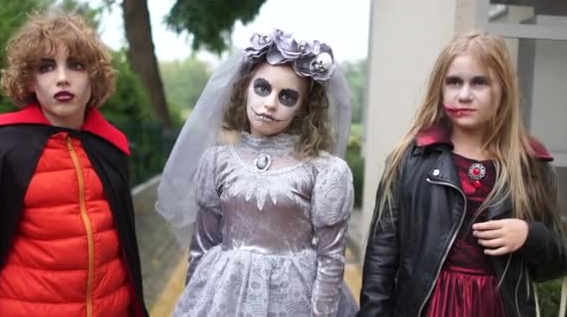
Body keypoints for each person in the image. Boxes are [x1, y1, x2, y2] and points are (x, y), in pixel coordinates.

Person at [358, 31, 567, 316]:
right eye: (454, 82)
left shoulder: (530, 165)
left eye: (479, 82)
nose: (464, 94)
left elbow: (555, 262)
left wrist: (530, 236)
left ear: (502, 88)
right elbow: (380, 259)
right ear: (440, 88)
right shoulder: (410, 158)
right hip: (427, 308)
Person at [156, 29, 358, 316]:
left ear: (303, 108)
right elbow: (202, 244)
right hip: (224, 293)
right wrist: (194, 302)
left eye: (287, 96)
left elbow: (331, 258)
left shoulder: (323, 170)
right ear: (245, 88)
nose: (271, 103)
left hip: (294, 297)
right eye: (263, 88)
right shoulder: (217, 162)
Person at [0, 12, 148, 317]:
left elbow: (125, 252)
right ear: (30, 82)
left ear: (93, 78)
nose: (62, 77)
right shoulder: (0, 150)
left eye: (76, 65)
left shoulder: (110, 149)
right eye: (46, 67)